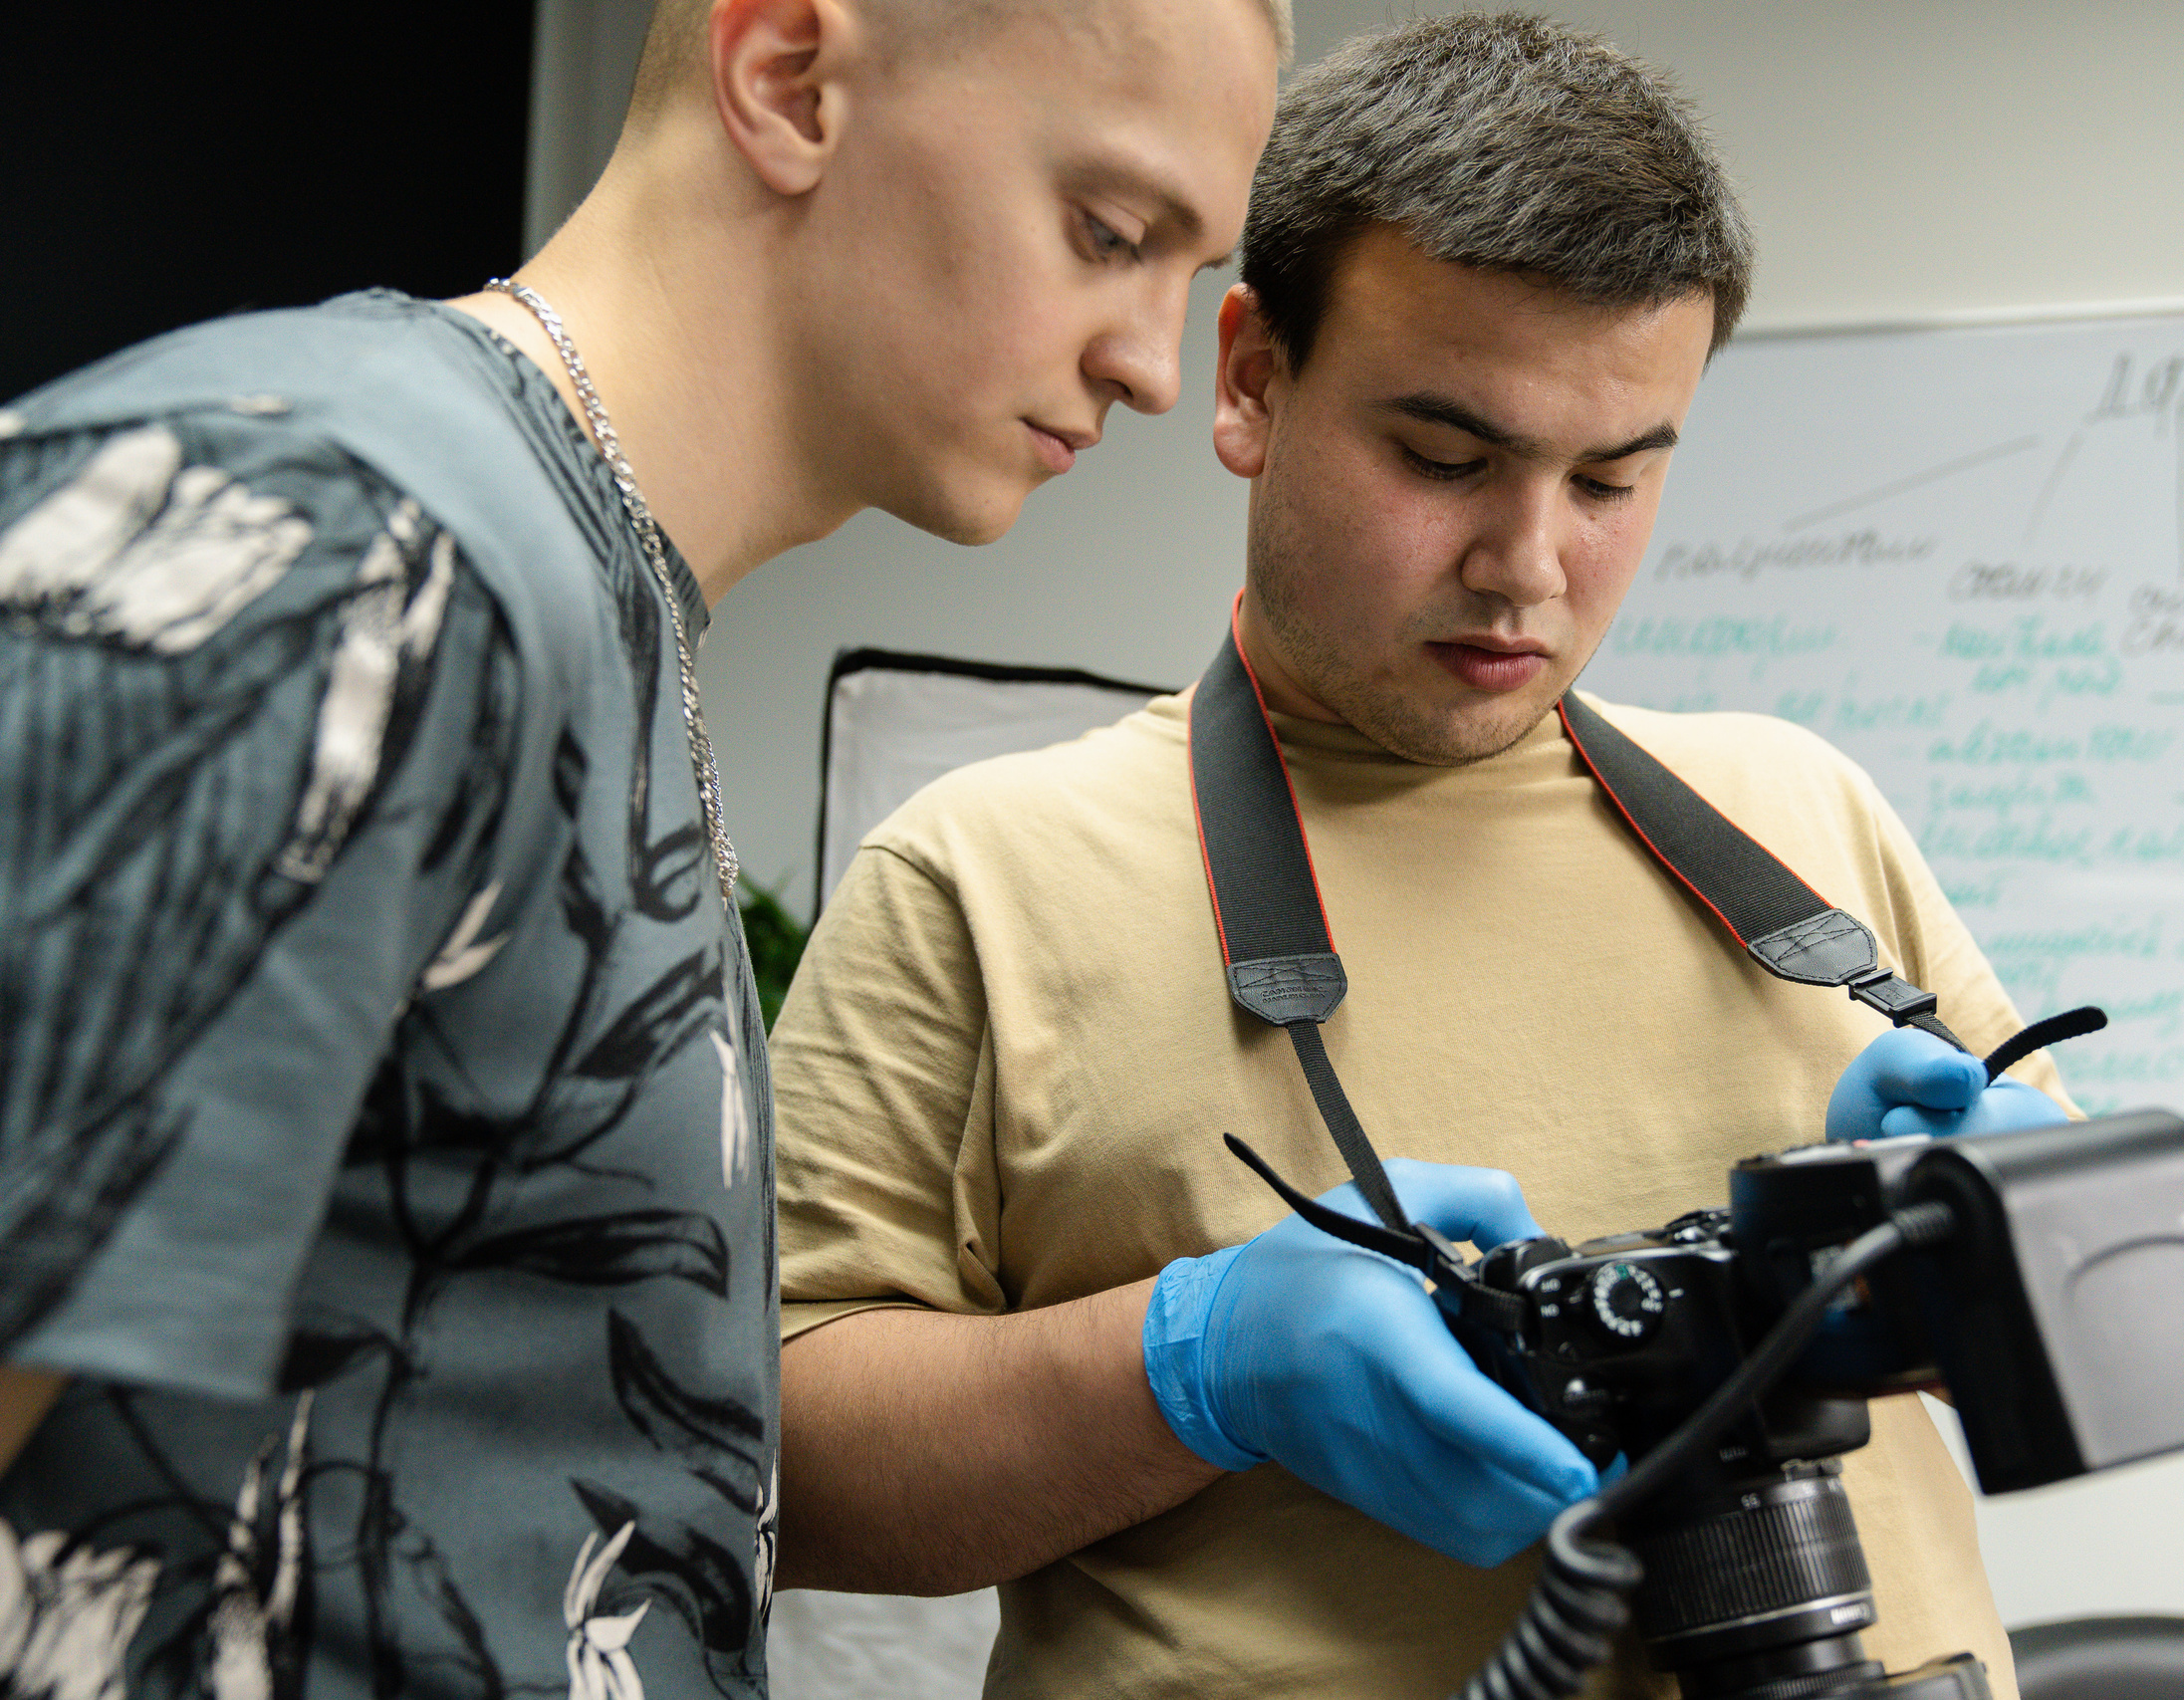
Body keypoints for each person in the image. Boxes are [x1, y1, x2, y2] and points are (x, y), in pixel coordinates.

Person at [769, 13, 2070, 1698]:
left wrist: (1990, 1225)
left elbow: (2067, 1357)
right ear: (1250, 377)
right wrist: (1192, 1367)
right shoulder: (986, 876)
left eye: (1612, 477)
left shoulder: (1797, 819)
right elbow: (770, 1465)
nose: (1528, 564)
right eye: (1445, 460)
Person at [0, 0, 1280, 1695]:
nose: (1151, 362)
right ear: (790, 81)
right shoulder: (344, 529)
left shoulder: (588, 596)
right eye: (1111, 235)